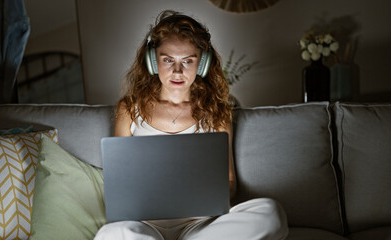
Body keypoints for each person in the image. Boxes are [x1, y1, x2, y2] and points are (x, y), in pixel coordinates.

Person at [94, 10, 288, 240]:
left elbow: (229, 182)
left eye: (188, 61)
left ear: (202, 64)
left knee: (270, 212)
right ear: (153, 61)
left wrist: (206, 197)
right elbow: (119, 183)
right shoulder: (129, 109)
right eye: (168, 60)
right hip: (145, 226)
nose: (177, 71)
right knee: (111, 233)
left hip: (200, 225)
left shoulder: (217, 112)